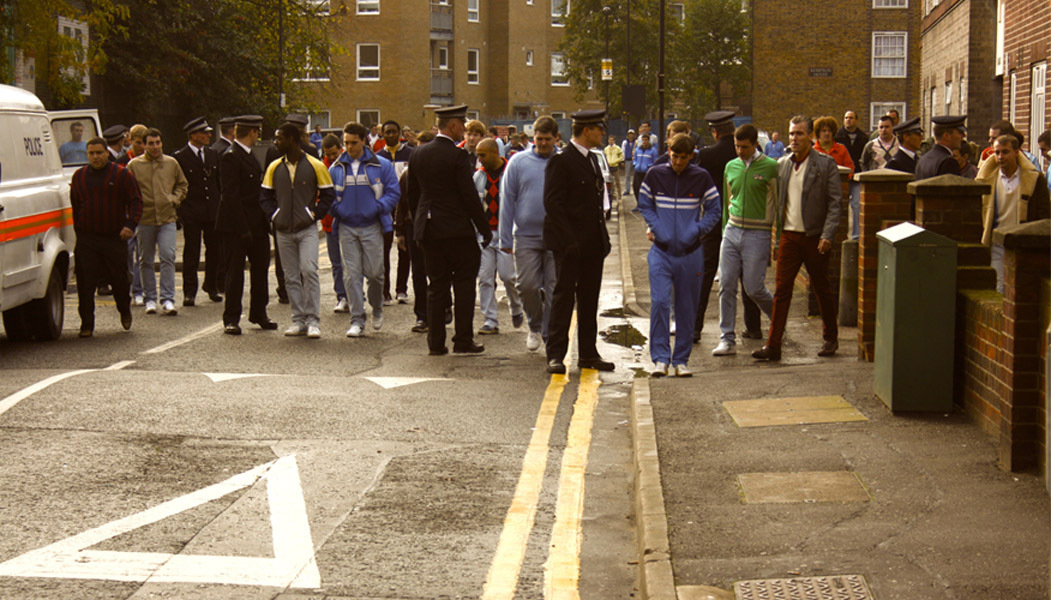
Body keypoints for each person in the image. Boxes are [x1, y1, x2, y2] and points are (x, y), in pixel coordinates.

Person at [753, 115, 842, 362]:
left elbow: (835, 204)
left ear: (810, 137)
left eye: (800, 134)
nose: (794, 138)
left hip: (814, 236)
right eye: (791, 134)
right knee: (782, 290)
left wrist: (828, 234)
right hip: (789, 237)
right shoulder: (782, 164)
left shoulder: (825, 164)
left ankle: (830, 337)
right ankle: (773, 345)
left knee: (821, 287)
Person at [405, 105, 490, 355]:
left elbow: (413, 195)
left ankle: (436, 342)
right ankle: (462, 340)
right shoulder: (458, 156)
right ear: (452, 126)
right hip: (457, 230)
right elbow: (469, 196)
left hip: (429, 230)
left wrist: (419, 221)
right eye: (461, 124)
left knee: (436, 286)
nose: (464, 129)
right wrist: (483, 228)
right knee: (464, 284)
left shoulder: (418, 154)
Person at [638, 133, 720, 376]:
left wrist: (698, 230)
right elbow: (644, 204)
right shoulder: (655, 174)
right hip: (661, 252)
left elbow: (715, 209)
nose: (678, 162)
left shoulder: (701, 177)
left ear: (691, 156)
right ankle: (660, 358)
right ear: (668, 152)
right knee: (661, 302)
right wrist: (657, 228)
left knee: (687, 308)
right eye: (675, 157)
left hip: (691, 252)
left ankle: (681, 361)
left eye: (684, 158)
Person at [543, 109, 614, 374]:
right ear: (587, 130)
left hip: (592, 245)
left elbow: (596, 205)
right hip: (570, 245)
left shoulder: (593, 160)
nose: (603, 133)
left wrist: (603, 240)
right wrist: (568, 242)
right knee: (563, 299)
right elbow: (552, 203)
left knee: (589, 300)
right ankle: (556, 354)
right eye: (599, 128)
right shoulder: (562, 161)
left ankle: (588, 353)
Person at [261, 123, 336, 338]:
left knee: (309, 271)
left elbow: (328, 195)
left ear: (292, 140)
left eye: (279, 138)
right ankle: (298, 320)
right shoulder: (274, 167)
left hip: (307, 229)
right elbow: (265, 196)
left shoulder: (315, 165)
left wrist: (313, 214)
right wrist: (274, 216)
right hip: (283, 230)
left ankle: (313, 321)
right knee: (290, 276)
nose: (275, 143)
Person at [694, 110, 762, 343]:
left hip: (713, 222)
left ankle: (695, 328)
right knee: (747, 278)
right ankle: (753, 327)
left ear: (714, 132)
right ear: (733, 131)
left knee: (704, 274)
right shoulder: (754, 153)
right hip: (743, 220)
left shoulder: (706, 155)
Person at [330, 122, 401, 338]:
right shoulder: (336, 168)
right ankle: (357, 320)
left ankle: (377, 308)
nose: (349, 147)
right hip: (347, 227)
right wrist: (339, 210)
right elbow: (327, 196)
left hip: (372, 226)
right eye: (346, 143)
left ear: (363, 141)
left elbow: (393, 192)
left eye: (353, 142)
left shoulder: (382, 165)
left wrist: (378, 208)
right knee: (351, 275)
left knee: (375, 273)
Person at [713, 124, 777, 358]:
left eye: (745, 147)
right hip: (732, 231)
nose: (740, 151)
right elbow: (726, 201)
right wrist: (724, 231)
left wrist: (777, 239)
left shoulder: (771, 168)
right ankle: (726, 338)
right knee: (726, 285)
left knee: (754, 288)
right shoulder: (731, 166)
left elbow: (779, 205)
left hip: (758, 233)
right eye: (737, 146)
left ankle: (777, 323)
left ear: (755, 145)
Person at [499, 115, 560, 352]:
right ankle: (534, 324)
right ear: (532, 138)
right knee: (527, 286)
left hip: (556, 237)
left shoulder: (562, 162)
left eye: (547, 139)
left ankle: (547, 333)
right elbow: (508, 200)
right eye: (538, 139)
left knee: (555, 290)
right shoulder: (518, 162)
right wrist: (505, 238)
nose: (543, 143)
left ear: (556, 138)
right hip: (525, 236)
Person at [70, 137, 142, 337]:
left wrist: (130, 225)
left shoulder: (121, 174)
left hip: (113, 237)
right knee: (85, 284)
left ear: (106, 153)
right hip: (87, 239)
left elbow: (136, 201)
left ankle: (124, 310)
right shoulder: (80, 176)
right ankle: (86, 324)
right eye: (91, 153)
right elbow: (76, 205)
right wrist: (79, 232)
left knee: (119, 281)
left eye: (99, 153)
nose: (95, 157)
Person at [216, 115, 278, 335]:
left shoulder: (249, 155)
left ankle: (259, 313)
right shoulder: (231, 157)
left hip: (256, 223)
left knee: (260, 269)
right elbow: (231, 196)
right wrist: (242, 228)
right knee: (235, 272)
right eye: (257, 132)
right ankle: (231, 317)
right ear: (252, 132)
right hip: (236, 225)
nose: (258, 136)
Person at [976, 134, 1050, 293]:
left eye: (1005, 152)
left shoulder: (1034, 180)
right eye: (997, 153)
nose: (1000, 157)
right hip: (998, 244)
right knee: (999, 288)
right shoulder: (988, 180)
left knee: (1024, 289)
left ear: (1017, 152)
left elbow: (1044, 213)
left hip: (1024, 243)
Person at [126, 128, 188, 316]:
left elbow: (182, 184)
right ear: (144, 145)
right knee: (145, 259)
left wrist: (174, 199)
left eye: (158, 143)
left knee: (168, 256)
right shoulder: (134, 165)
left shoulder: (171, 163)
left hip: (167, 217)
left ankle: (168, 299)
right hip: (144, 219)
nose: (155, 147)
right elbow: (126, 190)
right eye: (151, 143)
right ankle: (149, 298)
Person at [474, 137, 525, 335]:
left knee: (508, 276)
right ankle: (490, 320)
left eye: (483, 155)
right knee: (485, 278)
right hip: (485, 235)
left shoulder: (510, 174)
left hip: (506, 234)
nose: (480, 159)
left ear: (495, 153)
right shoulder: (478, 177)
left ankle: (516, 307)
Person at [172, 117, 224, 306]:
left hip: (212, 211)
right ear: (193, 135)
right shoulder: (180, 156)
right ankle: (189, 292)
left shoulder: (212, 154)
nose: (208, 136)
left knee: (214, 251)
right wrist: (180, 210)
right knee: (191, 252)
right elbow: (177, 184)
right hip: (192, 211)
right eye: (204, 133)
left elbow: (218, 183)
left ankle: (211, 286)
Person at [377, 119, 413, 305]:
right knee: (383, 251)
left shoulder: (410, 154)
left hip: (404, 208)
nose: (390, 135)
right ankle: (384, 291)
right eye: (387, 132)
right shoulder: (377, 157)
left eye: (393, 131)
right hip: (384, 209)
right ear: (382, 134)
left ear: (400, 133)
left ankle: (401, 289)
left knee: (404, 249)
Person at [319, 134, 349, 313]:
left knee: (351, 262)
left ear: (340, 148)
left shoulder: (349, 164)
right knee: (336, 263)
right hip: (330, 222)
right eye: (328, 154)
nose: (331, 157)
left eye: (334, 153)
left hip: (349, 220)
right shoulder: (322, 167)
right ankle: (342, 296)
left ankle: (355, 295)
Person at [915, 115, 965, 181]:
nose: (964, 136)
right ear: (947, 136)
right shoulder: (948, 162)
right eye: (960, 133)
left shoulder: (923, 159)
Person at [632, 132, 658, 199]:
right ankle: (638, 204)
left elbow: (655, 161)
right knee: (636, 188)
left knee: (645, 190)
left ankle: (644, 204)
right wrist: (635, 164)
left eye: (645, 140)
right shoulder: (638, 149)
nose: (644, 141)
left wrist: (648, 166)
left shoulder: (653, 150)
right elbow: (635, 159)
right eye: (643, 140)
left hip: (646, 173)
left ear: (648, 140)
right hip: (638, 172)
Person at [621, 129, 637, 195]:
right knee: (627, 176)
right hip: (627, 160)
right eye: (629, 134)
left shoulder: (636, 142)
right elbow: (623, 151)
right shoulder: (625, 142)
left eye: (632, 134)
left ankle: (636, 189)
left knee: (636, 175)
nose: (631, 135)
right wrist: (622, 160)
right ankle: (627, 189)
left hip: (634, 160)